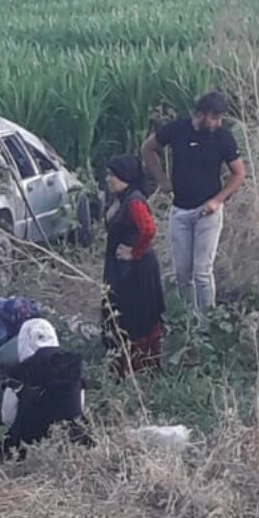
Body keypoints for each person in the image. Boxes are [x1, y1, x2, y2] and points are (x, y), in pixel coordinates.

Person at [140, 91, 246, 319]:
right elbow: (147, 149)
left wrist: (217, 200)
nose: (217, 123)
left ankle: (208, 323)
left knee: (202, 273)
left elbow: (238, 174)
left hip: (207, 213)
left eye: (219, 118)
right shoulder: (177, 130)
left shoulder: (223, 138)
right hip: (180, 211)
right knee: (182, 274)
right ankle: (188, 320)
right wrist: (161, 180)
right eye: (214, 117)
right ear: (199, 114)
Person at [102, 155, 166, 376]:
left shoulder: (134, 201)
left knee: (135, 318)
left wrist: (134, 252)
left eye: (112, 175)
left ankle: (139, 368)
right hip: (121, 269)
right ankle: (121, 367)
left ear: (125, 177)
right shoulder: (121, 198)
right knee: (120, 314)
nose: (108, 179)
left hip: (136, 271)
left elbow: (148, 229)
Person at [0, 319, 90, 461]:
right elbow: (79, 407)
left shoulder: (20, 372)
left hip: (28, 447)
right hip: (73, 444)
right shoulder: (71, 364)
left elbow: (7, 417)